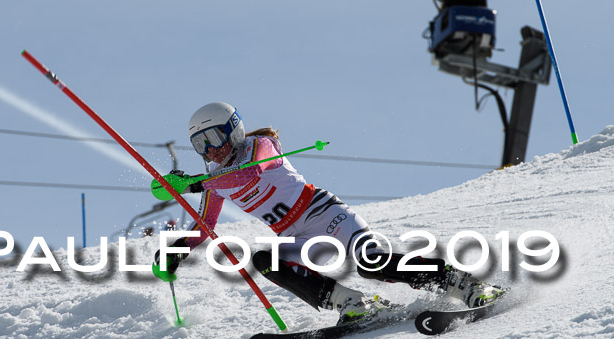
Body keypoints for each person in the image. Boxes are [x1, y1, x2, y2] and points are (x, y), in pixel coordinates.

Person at [153, 102, 502, 325]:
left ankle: (463, 283)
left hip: (327, 215)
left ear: (234, 129)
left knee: (372, 262)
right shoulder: (215, 181)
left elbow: (252, 174)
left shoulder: (260, 147)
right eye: (201, 145)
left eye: (213, 137)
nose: (211, 150)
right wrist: (176, 249)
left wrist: (196, 184)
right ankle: (351, 303)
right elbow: (205, 227)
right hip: (296, 237)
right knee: (265, 260)